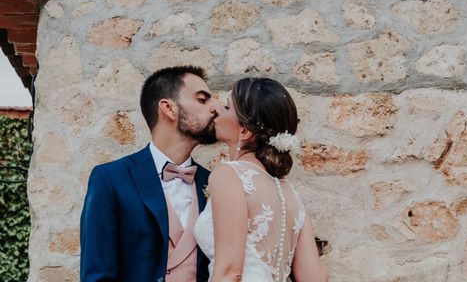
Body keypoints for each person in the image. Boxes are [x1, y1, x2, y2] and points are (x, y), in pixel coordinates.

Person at [80, 65, 217, 282]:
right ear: (168, 108)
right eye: (203, 99)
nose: (215, 108)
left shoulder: (214, 182)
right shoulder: (111, 179)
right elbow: (97, 274)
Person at [193, 77, 328, 282]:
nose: (218, 110)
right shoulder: (290, 193)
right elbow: (315, 278)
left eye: (228, 107)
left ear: (245, 131)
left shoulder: (229, 175)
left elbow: (229, 271)